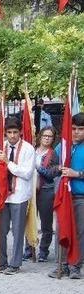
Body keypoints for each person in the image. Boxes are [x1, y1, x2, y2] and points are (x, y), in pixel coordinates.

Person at [0, 117, 36, 275]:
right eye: (9, 132)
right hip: (3, 195)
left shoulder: (28, 149)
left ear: (21, 132)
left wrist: (8, 163)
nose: (11, 136)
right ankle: (1, 261)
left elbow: (26, 173)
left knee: (17, 231)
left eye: (15, 132)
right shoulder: (0, 148)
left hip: (19, 195)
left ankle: (15, 264)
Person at [50, 112, 84, 279]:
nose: (76, 132)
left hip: (80, 197)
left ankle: (75, 266)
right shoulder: (63, 146)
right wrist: (57, 169)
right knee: (62, 230)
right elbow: (50, 166)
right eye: (73, 129)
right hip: (64, 197)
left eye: (80, 129)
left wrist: (76, 173)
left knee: (79, 233)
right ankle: (61, 265)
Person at [29, 127, 59, 263]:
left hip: (46, 190)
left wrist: (37, 166)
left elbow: (51, 174)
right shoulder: (31, 151)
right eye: (45, 136)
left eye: (50, 136)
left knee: (46, 223)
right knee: (29, 221)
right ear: (40, 136)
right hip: (30, 190)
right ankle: (29, 249)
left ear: (53, 139)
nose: (47, 138)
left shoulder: (53, 154)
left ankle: (43, 251)